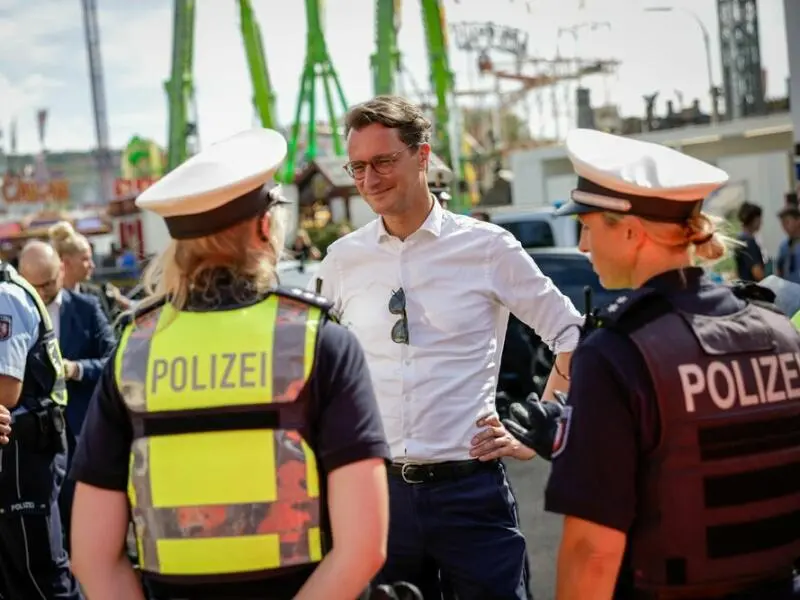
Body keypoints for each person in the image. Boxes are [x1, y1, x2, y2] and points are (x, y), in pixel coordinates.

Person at [67, 127, 400, 600]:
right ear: (265, 228)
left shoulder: (134, 351)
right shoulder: (318, 342)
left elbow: (90, 558)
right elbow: (364, 547)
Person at [502, 128, 800, 600]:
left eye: (588, 226)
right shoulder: (778, 330)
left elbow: (592, 555)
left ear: (629, 230)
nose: (582, 245)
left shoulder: (617, 353)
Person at [314, 95, 583, 599]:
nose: (370, 180)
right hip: (380, 498)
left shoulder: (487, 248)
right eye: (358, 167)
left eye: (384, 161)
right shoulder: (341, 260)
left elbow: (571, 335)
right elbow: (314, 367)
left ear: (422, 156)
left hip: (471, 491)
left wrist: (537, 429)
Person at [18, 240, 117, 552]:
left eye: (50, 282)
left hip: (81, 434)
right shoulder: (15, 310)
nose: (46, 291)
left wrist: (76, 370)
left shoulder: (86, 308)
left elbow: (114, 360)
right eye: (38, 285)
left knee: (85, 529)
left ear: (61, 270)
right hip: (33, 442)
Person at [0, 259, 83, 599]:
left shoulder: (5, 296)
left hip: (23, 457)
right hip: (16, 456)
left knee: (41, 580)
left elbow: (6, 389)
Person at [49, 221, 131, 323]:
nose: (92, 265)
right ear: (66, 262)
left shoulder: (96, 295)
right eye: (85, 259)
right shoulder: (49, 299)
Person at [733, 202, 765, 282]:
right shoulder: (749, 242)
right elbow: (757, 273)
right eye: (759, 219)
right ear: (753, 220)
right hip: (754, 289)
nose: (761, 222)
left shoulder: (739, 240)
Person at [776, 205, 800, 283]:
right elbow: (779, 270)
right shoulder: (784, 246)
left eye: (787, 222)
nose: (784, 226)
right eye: (782, 223)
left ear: (798, 221)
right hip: (789, 290)